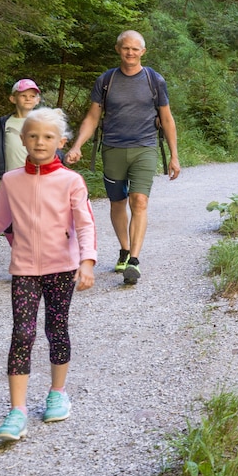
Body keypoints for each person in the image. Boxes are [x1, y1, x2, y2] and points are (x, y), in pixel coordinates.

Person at [0, 107, 96, 442]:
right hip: (24, 269)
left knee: (57, 329)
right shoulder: (11, 181)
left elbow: (84, 224)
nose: (40, 142)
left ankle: (57, 392)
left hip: (62, 269)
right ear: (23, 140)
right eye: (33, 135)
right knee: (22, 334)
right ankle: (17, 411)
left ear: (61, 142)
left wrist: (87, 262)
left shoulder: (71, 180)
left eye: (48, 137)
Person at [65, 30, 179, 286]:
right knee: (117, 202)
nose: (130, 53)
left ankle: (134, 262)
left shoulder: (154, 80)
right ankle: (124, 250)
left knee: (139, 200)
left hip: (144, 147)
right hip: (113, 148)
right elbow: (93, 117)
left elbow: (167, 118)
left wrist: (174, 156)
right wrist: (77, 146)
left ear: (143, 52)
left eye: (135, 49)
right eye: (126, 48)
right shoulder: (106, 80)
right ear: (118, 50)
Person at [0, 78, 43, 203]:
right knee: (11, 218)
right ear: (13, 99)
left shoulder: (43, 123)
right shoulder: (3, 123)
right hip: (11, 182)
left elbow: (55, 152)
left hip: (39, 180)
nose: (28, 98)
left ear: (37, 100)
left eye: (32, 96)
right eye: (23, 95)